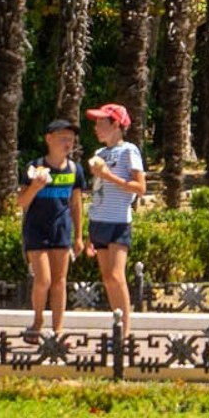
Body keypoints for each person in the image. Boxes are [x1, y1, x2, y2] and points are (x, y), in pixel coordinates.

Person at [20, 118, 89, 340]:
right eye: (62, 138)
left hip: (61, 231)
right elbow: (21, 202)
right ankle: (38, 320)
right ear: (49, 139)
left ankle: (58, 328)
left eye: (70, 139)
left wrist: (79, 236)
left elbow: (76, 203)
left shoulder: (75, 170)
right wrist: (36, 186)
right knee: (43, 280)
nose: (67, 143)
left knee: (60, 281)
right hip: (36, 230)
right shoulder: (34, 168)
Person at [83, 103, 147, 336]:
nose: (96, 128)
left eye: (102, 123)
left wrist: (108, 175)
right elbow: (98, 191)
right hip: (98, 221)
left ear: (116, 125)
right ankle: (117, 325)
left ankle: (125, 331)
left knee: (117, 276)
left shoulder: (129, 151)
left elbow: (140, 187)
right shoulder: (99, 154)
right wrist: (89, 231)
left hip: (118, 221)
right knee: (108, 278)